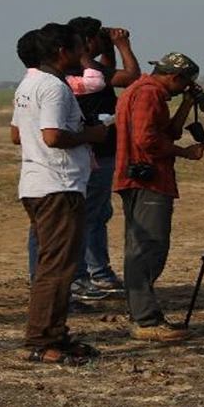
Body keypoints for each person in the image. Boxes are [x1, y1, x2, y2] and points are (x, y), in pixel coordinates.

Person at [11, 23, 108, 365]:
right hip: (58, 185)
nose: (83, 55)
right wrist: (92, 135)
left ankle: (54, 332)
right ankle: (41, 339)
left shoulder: (29, 83)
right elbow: (52, 136)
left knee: (55, 264)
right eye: (78, 48)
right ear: (61, 52)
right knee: (57, 267)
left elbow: (16, 133)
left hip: (39, 183)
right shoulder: (53, 88)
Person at [114, 52, 204, 342]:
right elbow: (147, 141)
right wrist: (185, 153)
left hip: (141, 179)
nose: (183, 90)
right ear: (176, 78)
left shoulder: (145, 91)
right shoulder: (149, 94)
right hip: (148, 179)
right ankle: (145, 320)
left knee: (142, 247)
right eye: (185, 85)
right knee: (148, 248)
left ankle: (143, 312)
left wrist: (188, 104)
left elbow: (169, 132)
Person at [64, 17, 142, 300]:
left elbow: (107, 71)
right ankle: (89, 273)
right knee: (90, 216)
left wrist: (107, 46)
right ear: (85, 42)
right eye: (97, 38)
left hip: (101, 151)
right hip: (94, 153)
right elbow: (131, 77)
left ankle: (96, 271)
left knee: (97, 214)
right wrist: (123, 44)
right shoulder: (85, 71)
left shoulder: (88, 69)